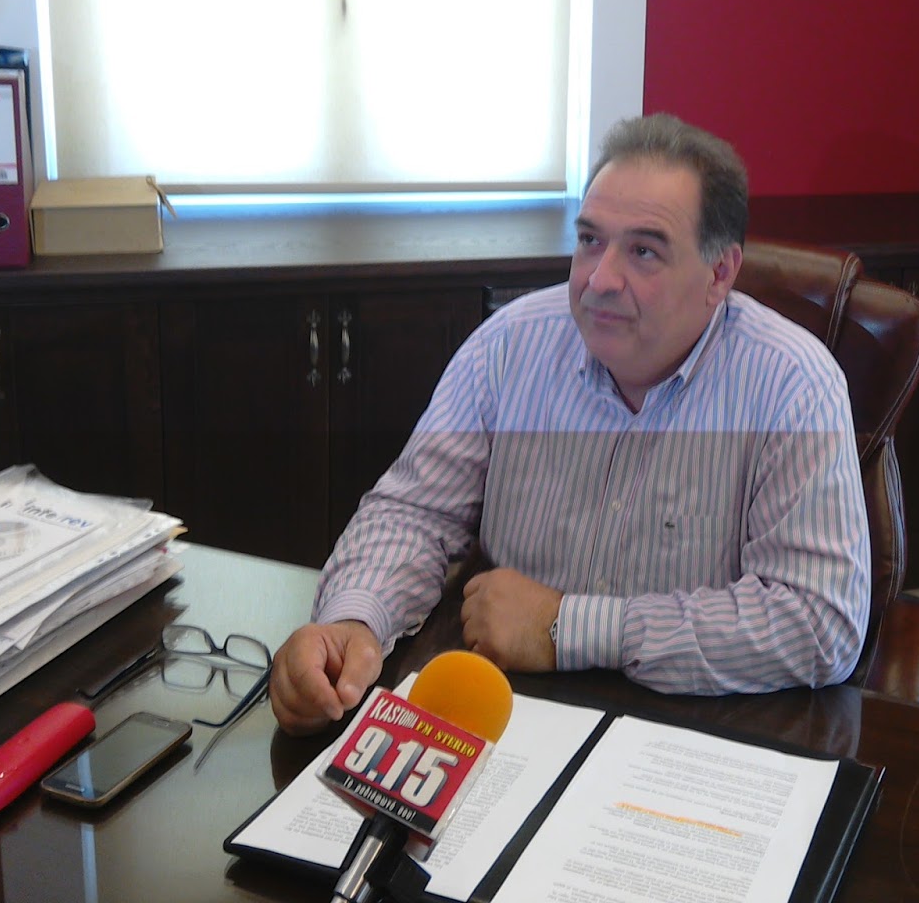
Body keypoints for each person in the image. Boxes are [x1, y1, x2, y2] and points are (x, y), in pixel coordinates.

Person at [270, 115, 869, 735]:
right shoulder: (509, 345)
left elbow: (819, 621)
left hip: (694, 729)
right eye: (589, 241)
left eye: (643, 251)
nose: (599, 280)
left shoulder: (793, 386)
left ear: (719, 273)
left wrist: (567, 628)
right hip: (510, 709)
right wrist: (354, 622)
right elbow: (414, 513)